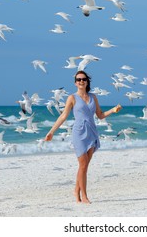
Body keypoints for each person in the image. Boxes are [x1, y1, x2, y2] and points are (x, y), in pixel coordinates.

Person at [44, 70, 122, 204]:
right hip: (79, 133)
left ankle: (76, 190)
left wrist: (113, 110)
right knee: (83, 164)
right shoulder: (72, 98)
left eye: (84, 79)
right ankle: (84, 196)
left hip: (91, 132)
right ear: (75, 83)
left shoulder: (93, 97)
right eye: (79, 79)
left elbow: (100, 115)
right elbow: (63, 116)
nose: (81, 81)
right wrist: (51, 131)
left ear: (87, 81)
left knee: (84, 166)